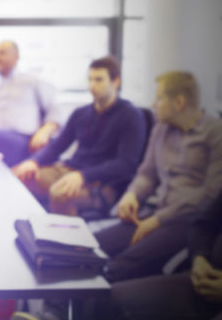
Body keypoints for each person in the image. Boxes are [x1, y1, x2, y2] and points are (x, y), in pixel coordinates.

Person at [95, 71, 222, 283]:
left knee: (119, 267)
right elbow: (147, 174)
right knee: (91, 246)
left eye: (159, 98)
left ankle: (80, 315)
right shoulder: (161, 129)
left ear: (179, 102)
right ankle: (54, 311)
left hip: (185, 221)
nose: (153, 104)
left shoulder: (215, 134)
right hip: (151, 213)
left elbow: (209, 196)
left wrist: (159, 220)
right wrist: (131, 195)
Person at [12, 56, 147, 216]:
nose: (92, 85)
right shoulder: (81, 113)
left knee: (60, 193)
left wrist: (83, 176)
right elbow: (57, 146)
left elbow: (126, 164)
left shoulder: (131, 115)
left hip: (103, 183)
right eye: (90, 79)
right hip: (70, 171)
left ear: (116, 81)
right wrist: (33, 161)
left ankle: (67, 240)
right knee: (17, 176)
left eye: (99, 80)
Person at [80, 187, 222, 320]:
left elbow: (205, 196)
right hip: (201, 278)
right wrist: (200, 257)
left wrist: (160, 218)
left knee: (112, 278)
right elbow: (205, 224)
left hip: (180, 219)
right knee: (104, 296)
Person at [0, 40, 61, 167]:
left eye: (3, 53)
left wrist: (44, 131)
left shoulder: (32, 81)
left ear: (16, 56)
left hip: (22, 140)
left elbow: (54, 111)